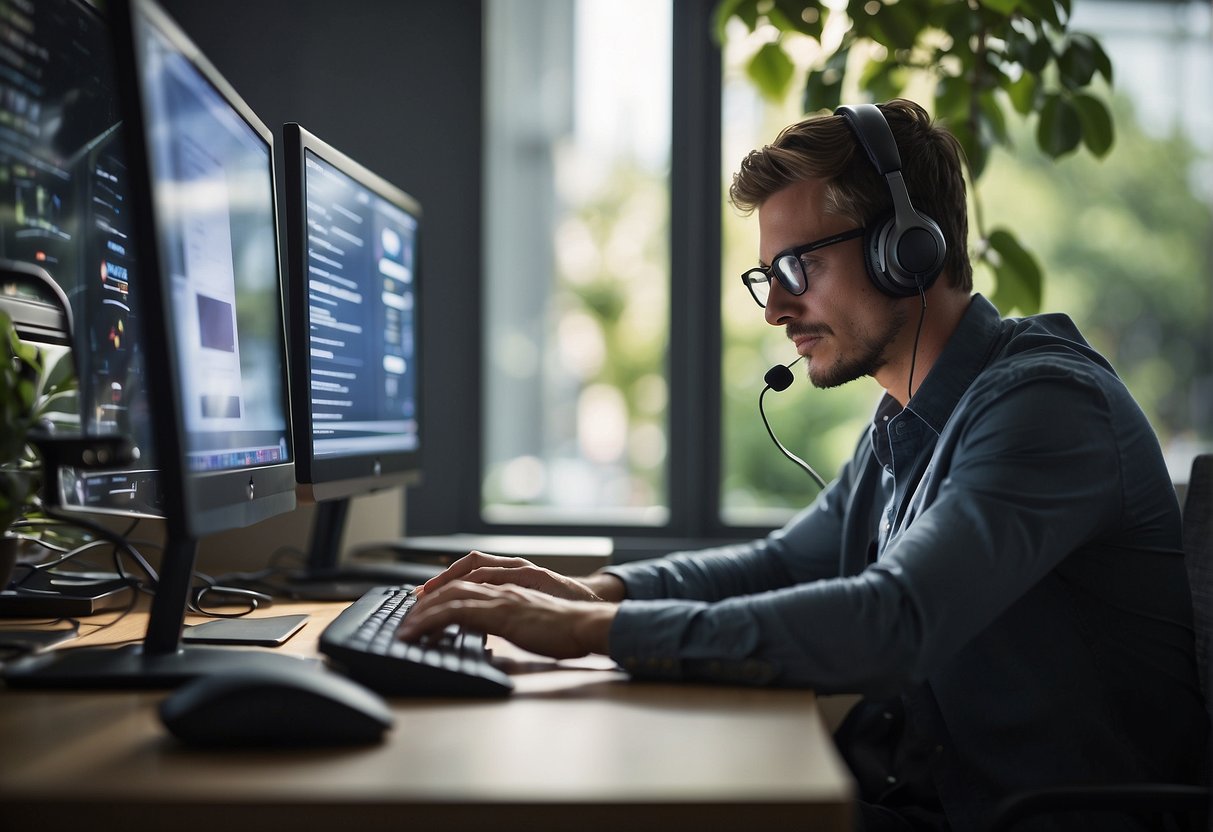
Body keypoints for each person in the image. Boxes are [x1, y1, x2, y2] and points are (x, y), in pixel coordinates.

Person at [400, 99, 1209, 831]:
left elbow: (894, 622)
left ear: (906, 249)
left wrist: (590, 632)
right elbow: (786, 562)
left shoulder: (1044, 407)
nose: (776, 309)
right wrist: (597, 592)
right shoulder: (903, 417)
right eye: (767, 276)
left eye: (798, 269)